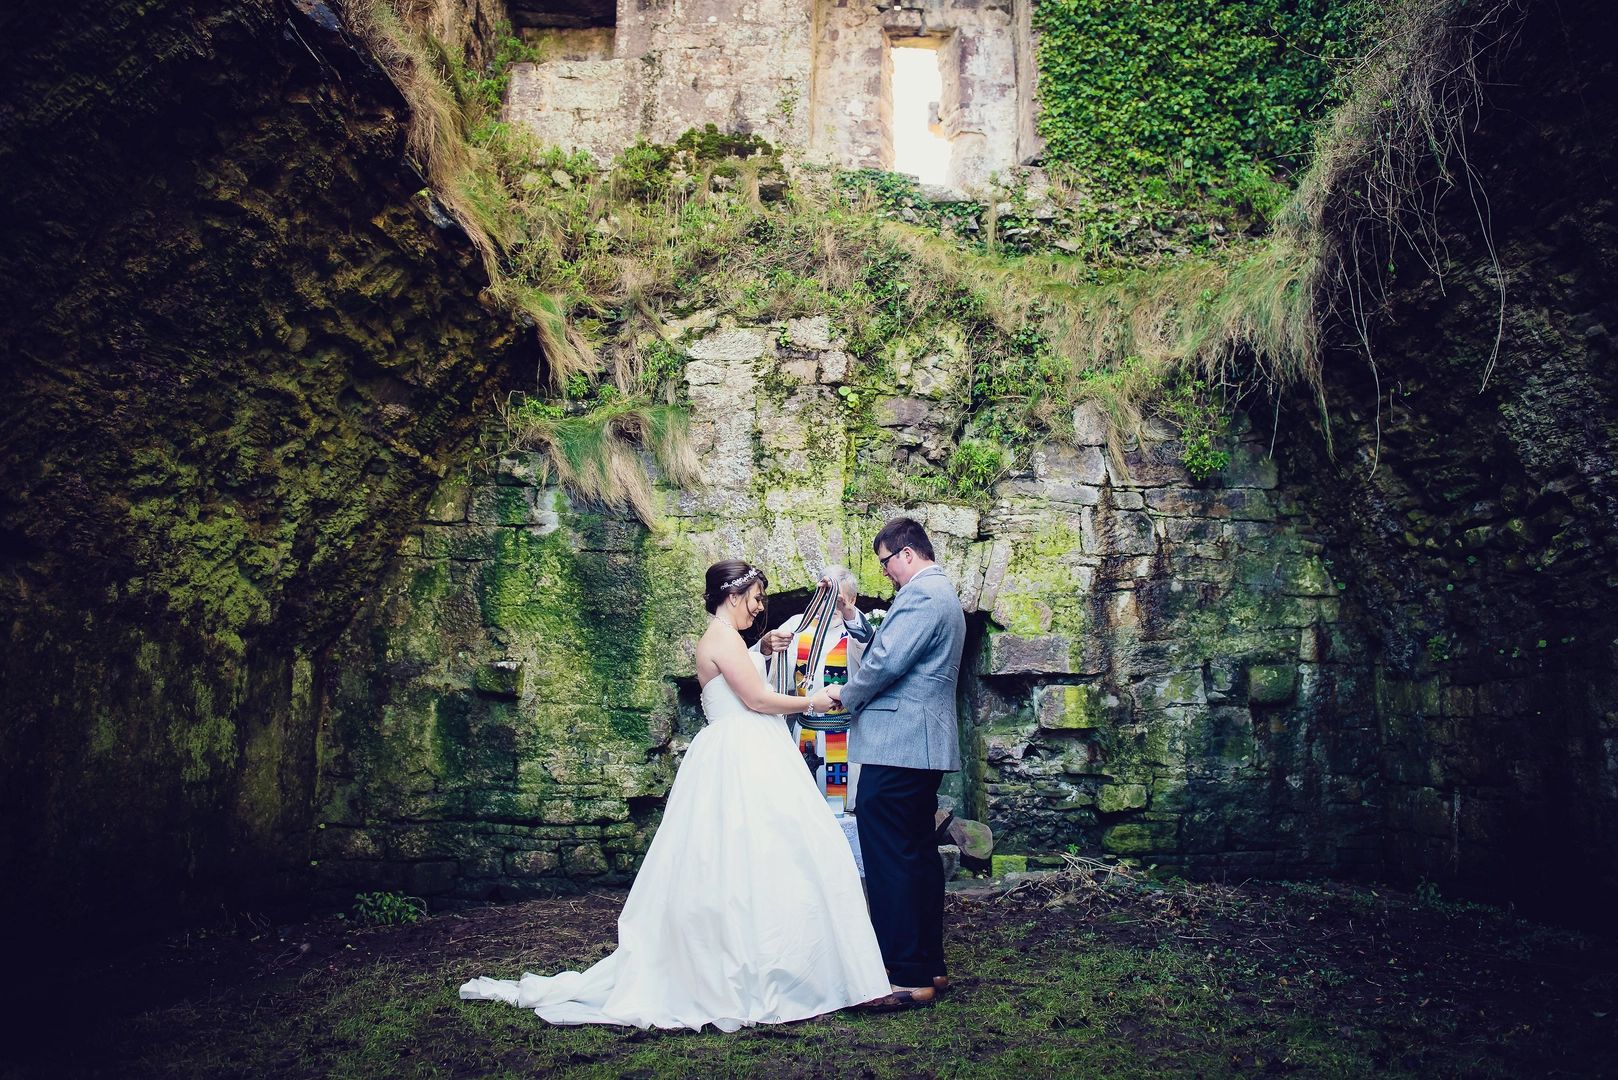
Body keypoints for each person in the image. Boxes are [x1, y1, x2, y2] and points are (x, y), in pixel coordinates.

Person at [459, 560, 890, 1031]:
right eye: (756, 598)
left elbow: (742, 678)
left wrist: (762, 649)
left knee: (768, 855)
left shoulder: (731, 639)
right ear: (733, 596)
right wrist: (816, 701)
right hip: (743, 753)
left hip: (754, 748)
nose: (760, 607)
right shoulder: (721, 639)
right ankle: (764, 969)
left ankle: (779, 963)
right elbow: (757, 700)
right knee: (748, 857)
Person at [808, 518, 965, 1011]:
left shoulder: (923, 594)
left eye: (885, 563)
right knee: (915, 853)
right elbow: (892, 649)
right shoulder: (938, 594)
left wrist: (844, 695)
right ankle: (929, 966)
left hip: (899, 745)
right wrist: (851, 616)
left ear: (907, 554)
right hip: (916, 745)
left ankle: (905, 974)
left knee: (889, 858)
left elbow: (884, 663)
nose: (885, 573)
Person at [756, 565, 873, 811]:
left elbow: (870, 654)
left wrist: (847, 611)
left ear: (852, 599)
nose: (829, 606)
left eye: (837, 600)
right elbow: (763, 676)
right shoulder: (797, 626)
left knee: (846, 809)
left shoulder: (856, 629)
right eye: (825, 597)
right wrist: (765, 647)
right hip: (805, 734)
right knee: (804, 808)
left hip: (845, 737)